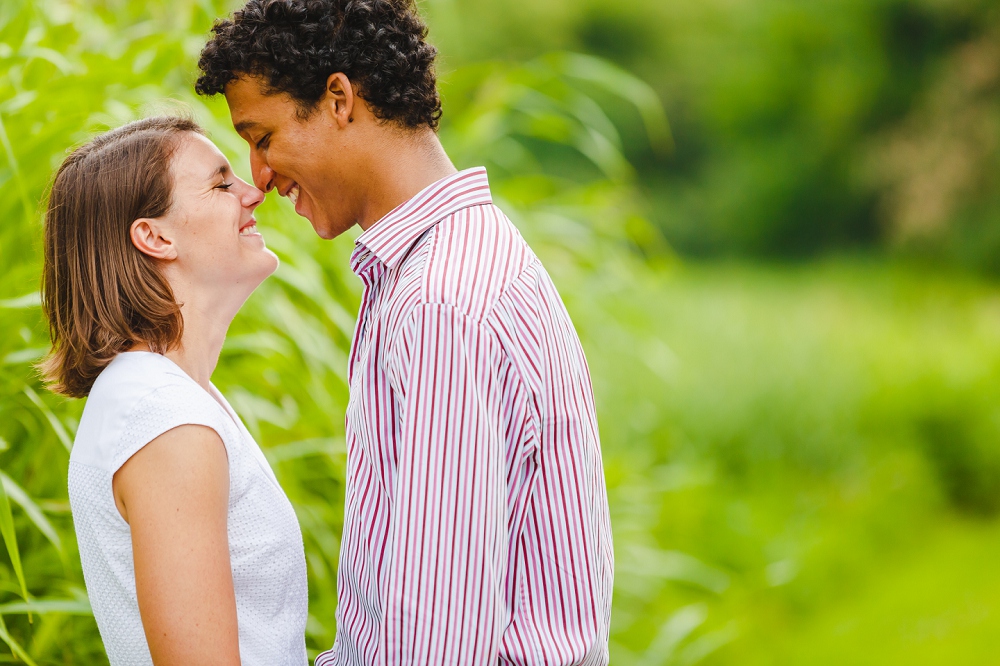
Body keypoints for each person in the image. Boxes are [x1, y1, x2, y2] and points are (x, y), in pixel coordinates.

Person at [196, 0, 614, 663]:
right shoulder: (449, 264)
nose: (260, 177)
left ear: (339, 98)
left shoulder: (440, 301)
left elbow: (436, 639)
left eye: (263, 136)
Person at [40, 116, 308, 666]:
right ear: (155, 236)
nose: (255, 193)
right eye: (220, 183)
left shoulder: (169, 397)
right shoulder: (163, 417)